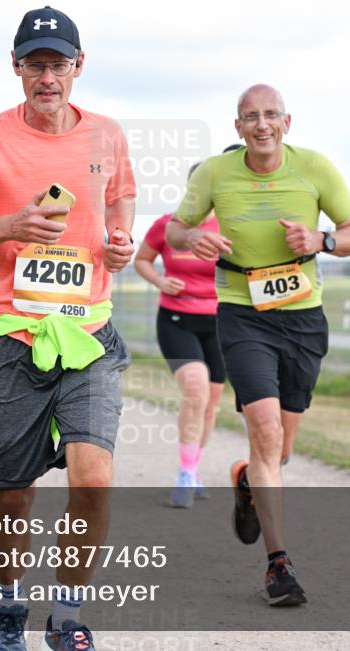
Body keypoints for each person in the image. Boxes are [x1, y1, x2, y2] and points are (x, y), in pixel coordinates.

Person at [0, 5, 135, 651]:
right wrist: (11, 225)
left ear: (79, 66)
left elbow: (121, 193)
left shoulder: (107, 134)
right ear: (16, 68)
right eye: (34, 64)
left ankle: (69, 615)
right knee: (13, 495)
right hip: (12, 334)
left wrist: (121, 236)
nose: (47, 76)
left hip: (88, 333)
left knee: (93, 475)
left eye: (58, 63)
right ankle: (8, 613)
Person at [166, 84, 350, 607]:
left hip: (302, 315)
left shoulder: (315, 168)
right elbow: (174, 230)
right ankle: (278, 564)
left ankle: (246, 480)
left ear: (287, 122)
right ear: (237, 128)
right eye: (250, 117)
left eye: (270, 115)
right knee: (265, 427)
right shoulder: (215, 173)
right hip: (241, 313)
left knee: (280, 449)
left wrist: (321, 240)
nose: (261, 125)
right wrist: (195, 239)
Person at [134, 164, 224, 509]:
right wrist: (159, 280)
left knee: (212, 402)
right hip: (176, 318)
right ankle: (185, 474)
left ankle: (195, 466)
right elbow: (143, 259)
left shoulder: (230, 227)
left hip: (219, 322)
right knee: (196, 388)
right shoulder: (168, 225)